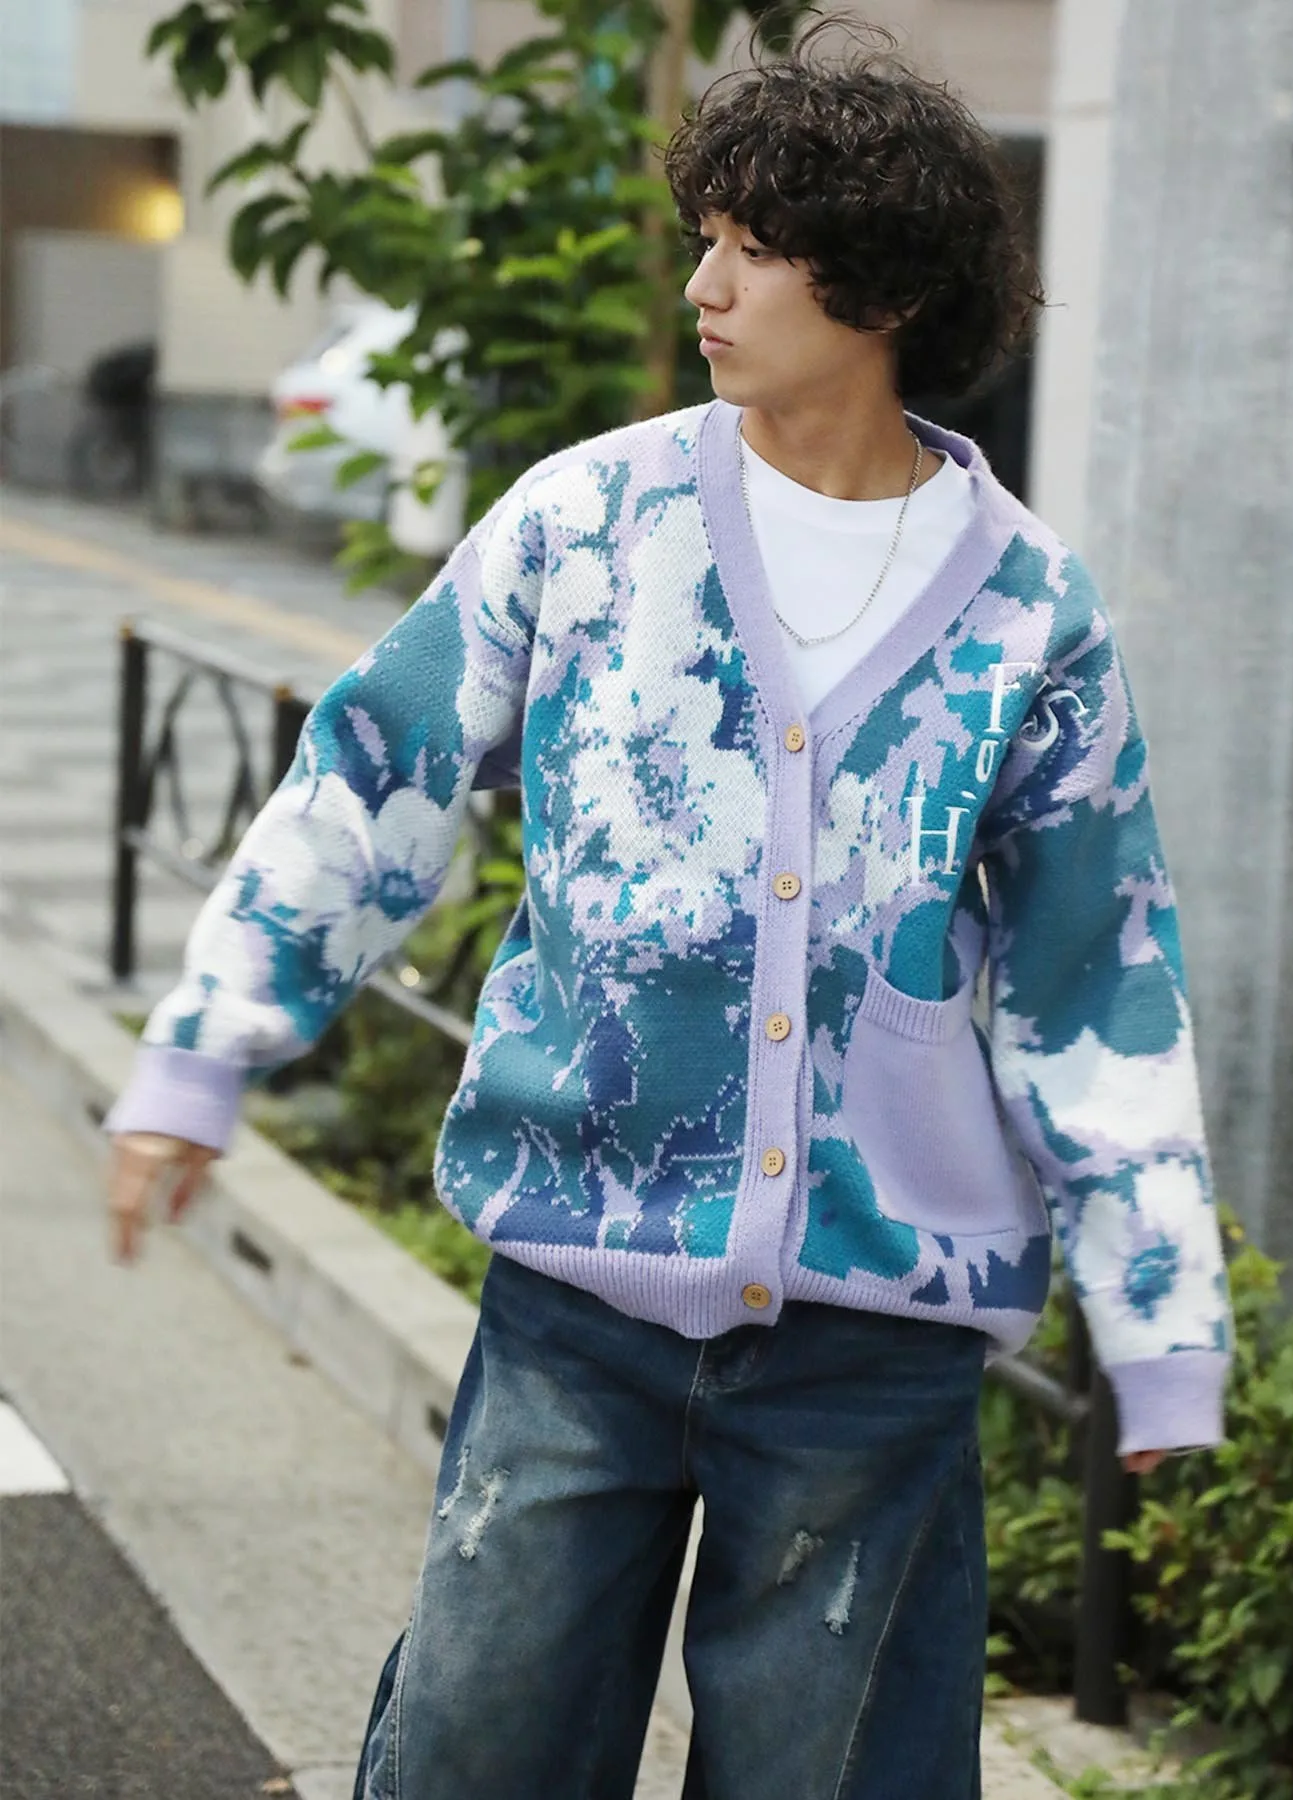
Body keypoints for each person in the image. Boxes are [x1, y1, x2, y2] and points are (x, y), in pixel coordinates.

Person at [105, 23, 1230, 1799]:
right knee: (476, 1754)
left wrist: (1157, 1321)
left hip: (877, 1342)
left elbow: (1098, 976)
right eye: (705, 238)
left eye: (752, 249)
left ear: (882, 285)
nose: (703, 287)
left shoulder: (1031, 612)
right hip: (578, 1294)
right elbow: (373, 778)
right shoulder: (588, 522)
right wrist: (205, 1051)